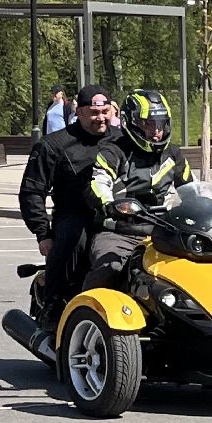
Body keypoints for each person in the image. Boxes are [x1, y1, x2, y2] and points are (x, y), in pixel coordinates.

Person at [18, 86, 118, 327]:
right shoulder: (54, 145)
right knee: (75, 238)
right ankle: (53, 307)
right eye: (94, 113)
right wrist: (42, 233)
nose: (101, 118)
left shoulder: (122, 140)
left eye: (105, 111)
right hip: (75, 216)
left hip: (119, 216)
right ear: (79, 112)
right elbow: (32, 191)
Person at [84, 90, 191, 290]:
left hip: (164, 232)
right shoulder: (113, 151)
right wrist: (109, 204)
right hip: (120, 232)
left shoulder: (173, 153)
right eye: (149, 124)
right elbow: (98, 183)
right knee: (109, 269)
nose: (157, 131)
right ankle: (83, 314)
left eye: (161, 124)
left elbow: (192, 190)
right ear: (131, 123)